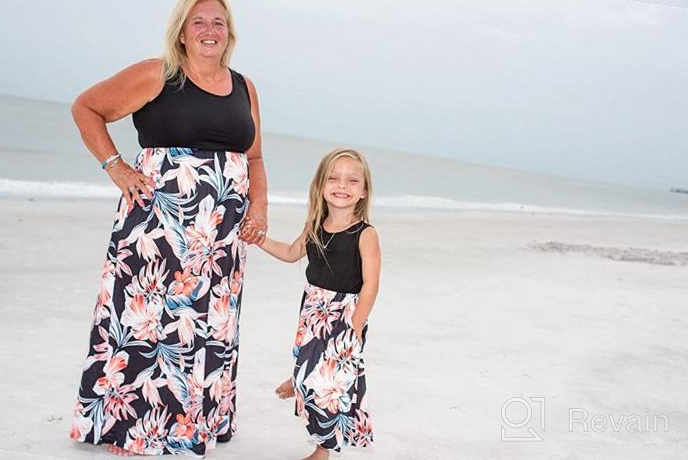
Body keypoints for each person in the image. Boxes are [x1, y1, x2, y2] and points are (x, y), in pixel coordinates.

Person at [68, 0, 267, 456]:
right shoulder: (157, 74)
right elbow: (86, 108)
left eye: (219, 21)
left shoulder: (244, 87)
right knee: (142, 320)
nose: (210, 29)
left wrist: (260, 206)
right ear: (182, 32)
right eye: (199, 21)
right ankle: (126, 428)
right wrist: (116, 168)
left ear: (229, 33)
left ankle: (196, 425)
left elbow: (253, 157)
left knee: (209, 326)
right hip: (157, 227)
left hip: (220, 235)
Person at [258, 148, 380, 460]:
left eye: (353, 181)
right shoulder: (314, 225)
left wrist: (355, 325)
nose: (343, 185)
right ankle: (300, 379)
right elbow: (289, 253)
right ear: (321, 185)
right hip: (313, 310)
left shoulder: (365, 234)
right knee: (309, 362)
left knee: (330, 386)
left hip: (345, 316)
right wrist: (258, 240)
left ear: (364, 191)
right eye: (334, 178)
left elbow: (371, 284)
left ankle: (322, 449)